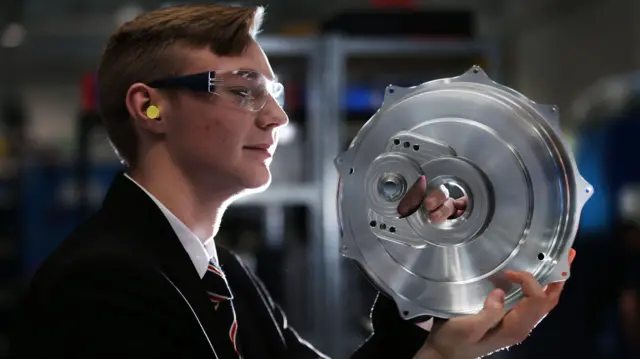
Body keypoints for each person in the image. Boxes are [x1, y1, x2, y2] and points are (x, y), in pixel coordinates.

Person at [8, 5, 575, 359]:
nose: (276, 118)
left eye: (274, 96)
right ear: (150, 108)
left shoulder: (225, 276)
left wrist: (425, 300)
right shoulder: (103, 285)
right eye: (243, 90)